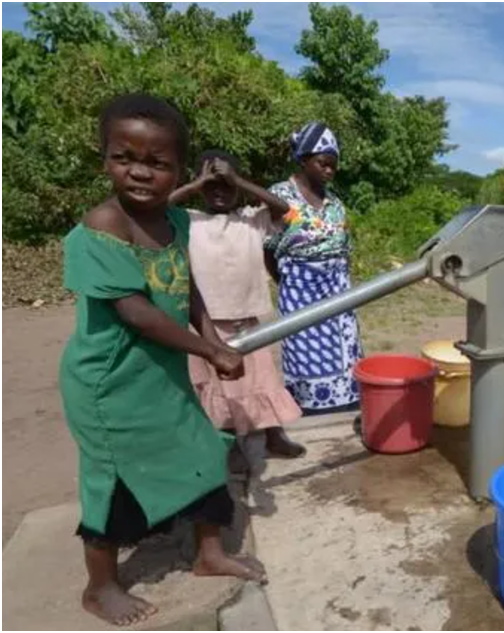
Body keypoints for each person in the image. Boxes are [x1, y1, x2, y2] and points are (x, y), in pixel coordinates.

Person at [59, 95, 265, 627]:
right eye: (124, 157)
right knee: (113, 482)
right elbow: (136, 313)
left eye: (157, 162)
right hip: (110, 384)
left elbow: (186, 287)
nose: (140, 172)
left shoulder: (175, 219)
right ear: (104, 158)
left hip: (161, 375)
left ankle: (209, 554)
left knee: (205, 449)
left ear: (179, 170)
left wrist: (214, 337)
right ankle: (100, 587)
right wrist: (209, 351)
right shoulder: (104, 225)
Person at [170, 151, 306, 463]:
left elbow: (286, 210)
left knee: (263, 379)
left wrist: (238, 180)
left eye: (227, 185)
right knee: (220, 386)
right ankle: (229, 443)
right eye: (212, 185)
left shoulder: (251, 219)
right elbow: (156, 209)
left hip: (248, 318)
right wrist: (196, 184)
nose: (219, 190)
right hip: (206, 321)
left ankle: (273, 434)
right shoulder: (188, 220)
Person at [267, 123, 363, 416]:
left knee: (345, 353)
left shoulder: (335, 203)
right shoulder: (281, 195)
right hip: (300, 290)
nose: (330, 171)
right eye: (323, 163)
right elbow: (267, 249)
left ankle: (346, 407)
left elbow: (344, 247)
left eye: (334, 165)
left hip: (338, 290)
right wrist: (289, 282)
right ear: (303, 159)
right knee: (305, 355)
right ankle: (312, 412)